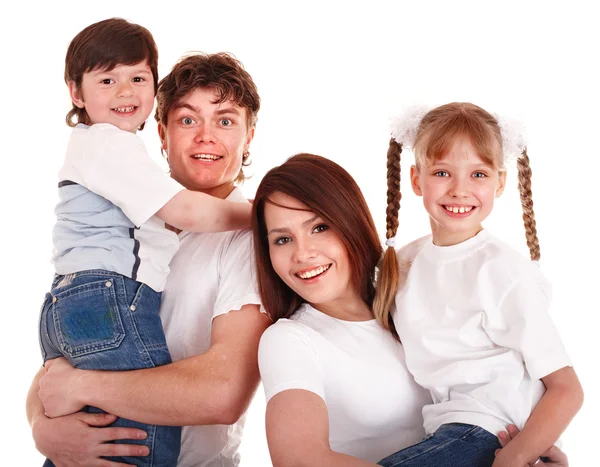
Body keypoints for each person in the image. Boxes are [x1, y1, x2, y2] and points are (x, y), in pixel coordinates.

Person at [29, 51, 271, 467]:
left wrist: (81, 388)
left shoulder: (253, 241)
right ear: (161, 133)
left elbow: (223, 393)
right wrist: (41, 428)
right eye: (187, 119)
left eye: (226, 121)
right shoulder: (121, 222)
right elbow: (64, 355)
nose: (206, 136)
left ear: (249, 137)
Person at [251, 153, 568, 467]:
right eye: (282, 239)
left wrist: (531, 453)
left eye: (319, 228)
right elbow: (299, 459)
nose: (303, 253)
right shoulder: (290, 340)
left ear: (350, 221)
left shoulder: (412, 301)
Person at [373, 102, 584, 467]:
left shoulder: (502, 270)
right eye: (442, 172)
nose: (459, 189)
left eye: (479, 175)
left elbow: (567, 390)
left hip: (491, 431)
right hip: (446, 430)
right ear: (416, 179)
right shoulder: (404, 262)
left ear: (500, 182)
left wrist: (516, 457)